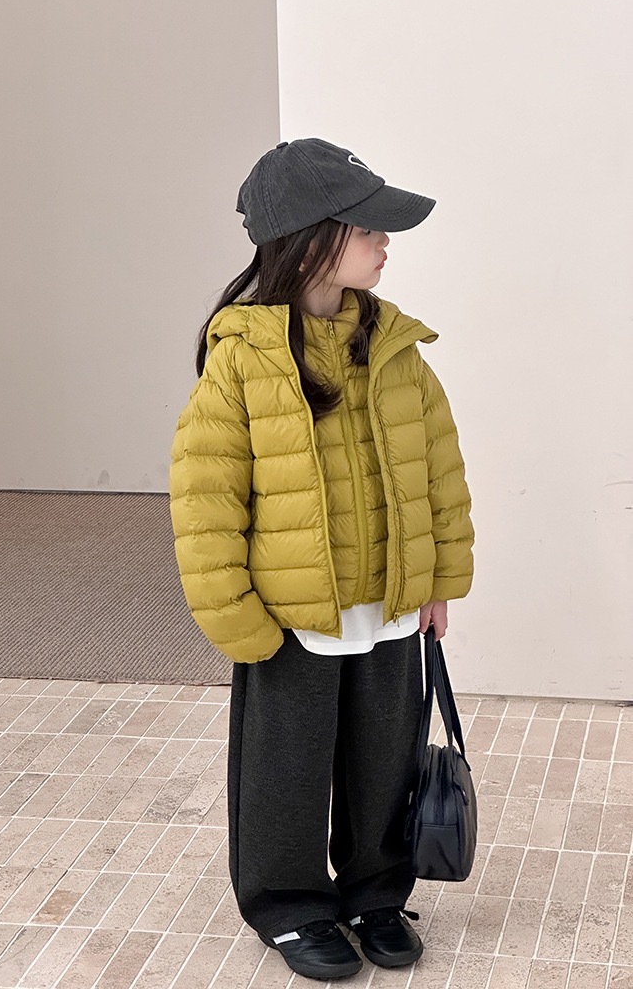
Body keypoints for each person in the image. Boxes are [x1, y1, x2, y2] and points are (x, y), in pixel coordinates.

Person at [169, 138, 474, 981]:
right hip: (291, 617)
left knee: (385, 761)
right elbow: (206, 500)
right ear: (311, 240)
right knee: (285, 772)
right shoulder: (243, 359)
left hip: (388, 604)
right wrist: (237, 618)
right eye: (368, 228)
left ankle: (377, 894)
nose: (385, 244)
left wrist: (439, 582)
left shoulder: (396, 348)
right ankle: (290, 906)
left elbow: (439, 472)